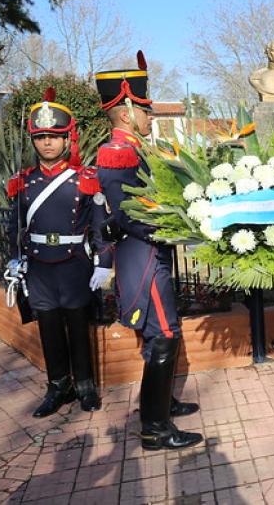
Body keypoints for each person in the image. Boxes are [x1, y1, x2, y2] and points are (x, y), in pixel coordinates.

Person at [95, 51, 202, 450]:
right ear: (125, 113)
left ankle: (162, 404)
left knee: (161, 331)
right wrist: (179, 230)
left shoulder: (136, 149)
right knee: (164, 334)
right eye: (145, 110)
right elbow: (129, 214)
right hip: (142, 256)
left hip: (148, 252)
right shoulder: (118, 152)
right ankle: (155, 427)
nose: (151, 116)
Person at [6, 87, 112, 417]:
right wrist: (14, 258)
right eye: (40, 137)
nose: (47, 143)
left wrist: (104, 262)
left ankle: (85, 385)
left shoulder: (85, 179)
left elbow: (100, 226)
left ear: (68, 139)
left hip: (74, 264)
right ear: (33, 141)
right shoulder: (23, 182)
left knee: (78, 326)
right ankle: (57, 386)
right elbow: (14, 226)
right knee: (49, 328)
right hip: (39, 266)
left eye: (54, 136)